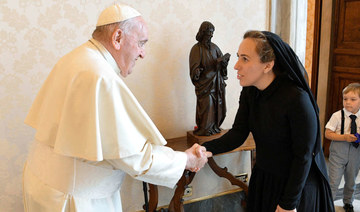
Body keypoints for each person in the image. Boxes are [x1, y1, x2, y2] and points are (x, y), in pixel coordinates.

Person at [22, 3, 211, 212]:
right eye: (141, 43)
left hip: (46, 185)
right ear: (118, 37)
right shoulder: (99, 76)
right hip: (76, 199)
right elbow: (133, 157)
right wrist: (185, 159)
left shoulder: (77, 58)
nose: (143, 53)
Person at [202, 30, 335, 212]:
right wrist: (205, 150)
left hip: (296, 186)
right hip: (264, 179)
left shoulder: (297, 99)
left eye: (245, 59)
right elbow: (238, 133)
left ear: (268, 65)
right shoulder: (250, 91)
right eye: (238, 57)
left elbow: (303, 156)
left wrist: (288, 204)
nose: (236, 66)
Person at [189, 21, 230, 136]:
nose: (211, 35)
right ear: (203, 33)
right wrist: (196, 72)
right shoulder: (196, 49)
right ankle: (205, 129)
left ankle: (214, 127)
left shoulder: (215, 48)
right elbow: (194, 68)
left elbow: (222, 65)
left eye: (212, 33)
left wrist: (224, 63)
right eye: (209, 33)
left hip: (217, 84)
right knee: (208, 107)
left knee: (219, 108)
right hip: (205, 85)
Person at [325, 83, 360, 212]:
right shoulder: (337, 116)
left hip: (356, 154)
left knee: (351, 181)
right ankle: (328, 203)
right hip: (338, 153)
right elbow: (327, 133)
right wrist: (344, 137)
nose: (348, 102)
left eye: (353, 99)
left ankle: (348, 202)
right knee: (333, 181)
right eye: (345, 99)